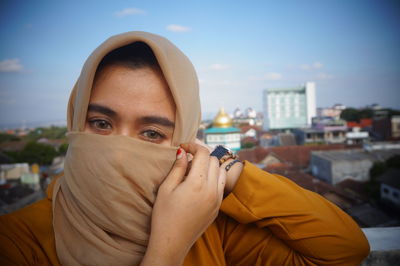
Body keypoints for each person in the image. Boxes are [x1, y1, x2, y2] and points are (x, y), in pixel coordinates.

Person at [0, 31, 369, 265]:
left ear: (183, 145)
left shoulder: (211, 227)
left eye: (151, 134)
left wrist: (229, 169)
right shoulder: (17, 241)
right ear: (75, 118)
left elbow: (344, 250)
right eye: (101, 124)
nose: (119, 149)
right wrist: (168, 249)